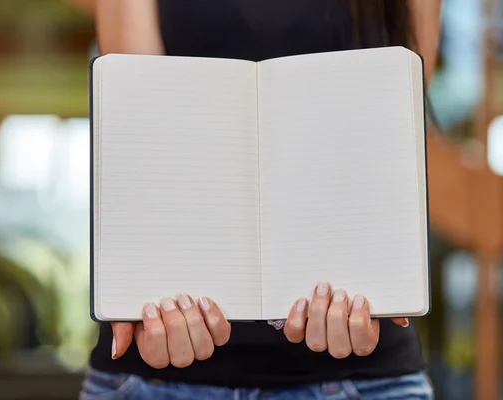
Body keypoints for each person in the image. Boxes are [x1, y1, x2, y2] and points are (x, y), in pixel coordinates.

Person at [81, 1, 442, 399]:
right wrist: (141, 310)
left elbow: (387, 153)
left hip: (366, 377)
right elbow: (145, 140)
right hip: (155, 381)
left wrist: (385, 282)